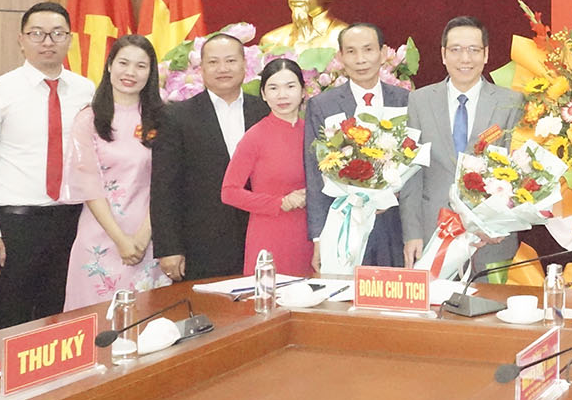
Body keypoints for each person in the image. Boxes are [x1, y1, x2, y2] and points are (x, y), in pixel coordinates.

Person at [0, 2, 96, 329]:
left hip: (72, 220)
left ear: (69, 39)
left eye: (57, 33)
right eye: (37, 33)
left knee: (63, 319)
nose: (48, 41)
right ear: (21, 40)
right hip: (17, 225)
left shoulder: (86, 90)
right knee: (12, 322)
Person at [398, 16, 524, 270]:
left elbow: (520, 173)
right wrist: (412, 233)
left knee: (489, 296)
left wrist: (499, 225)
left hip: (490, 239)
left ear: (486, 54)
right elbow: (411, 173)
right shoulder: (420, 100)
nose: (465, 59)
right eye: (455, 50)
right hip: (433, 234)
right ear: (443, 54)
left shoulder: (511, 102)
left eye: (474, 50)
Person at [62, 35, 171, 307]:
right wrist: (121, 240)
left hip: (151, 236)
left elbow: (168, 182)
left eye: (140, 66)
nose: (130, 73)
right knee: (97, 321)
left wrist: (144, 235)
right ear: (110, 65)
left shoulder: (165, 119)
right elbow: (88, 185)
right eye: (123, 63)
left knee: (149, 320)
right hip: (101, 237)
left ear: (151, 72)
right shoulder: (88, 119)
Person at [152, 32, 270, 281]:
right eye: (213, 62)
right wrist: (169, 248)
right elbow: (164, 187)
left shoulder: (264, 111)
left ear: (244, 64)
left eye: (230, 61)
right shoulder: (176, 117)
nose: (222, 68)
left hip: (260, 237)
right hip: (202, 244)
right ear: (201, 68)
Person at [304, 22, 409, 269]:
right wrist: (319, 238)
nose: (360, 59)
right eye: (351, 52)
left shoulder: (405, 100)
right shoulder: (322, 105)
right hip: (342, 224)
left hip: (394, 225)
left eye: (368, 49)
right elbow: (314, 174)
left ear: (383, 53)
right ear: (340, 57)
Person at [223, 58, 312, 276]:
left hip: (311, 235)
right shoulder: (255, 137)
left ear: (303, 91)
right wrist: (280, 202)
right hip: (270, 235)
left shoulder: (315, 134)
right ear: (263, 94)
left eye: (290, 86)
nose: (282, 95)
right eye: (273, 88)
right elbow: (229, 192)